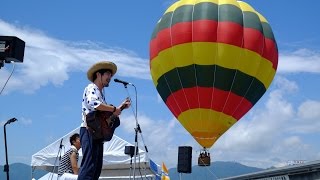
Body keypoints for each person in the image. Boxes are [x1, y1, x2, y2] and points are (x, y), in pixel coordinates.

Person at [78, 61, 131, 180]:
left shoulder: (101, 94)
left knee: (96, 169)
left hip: (96, 134)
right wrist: (114, 109)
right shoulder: (91, 87)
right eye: (107, 74)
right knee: (89, 167)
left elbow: (104, 119)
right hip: (89, 131)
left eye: (110, 75)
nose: (110, 77)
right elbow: (93, 103)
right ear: (98, 74)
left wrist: (120, 108)